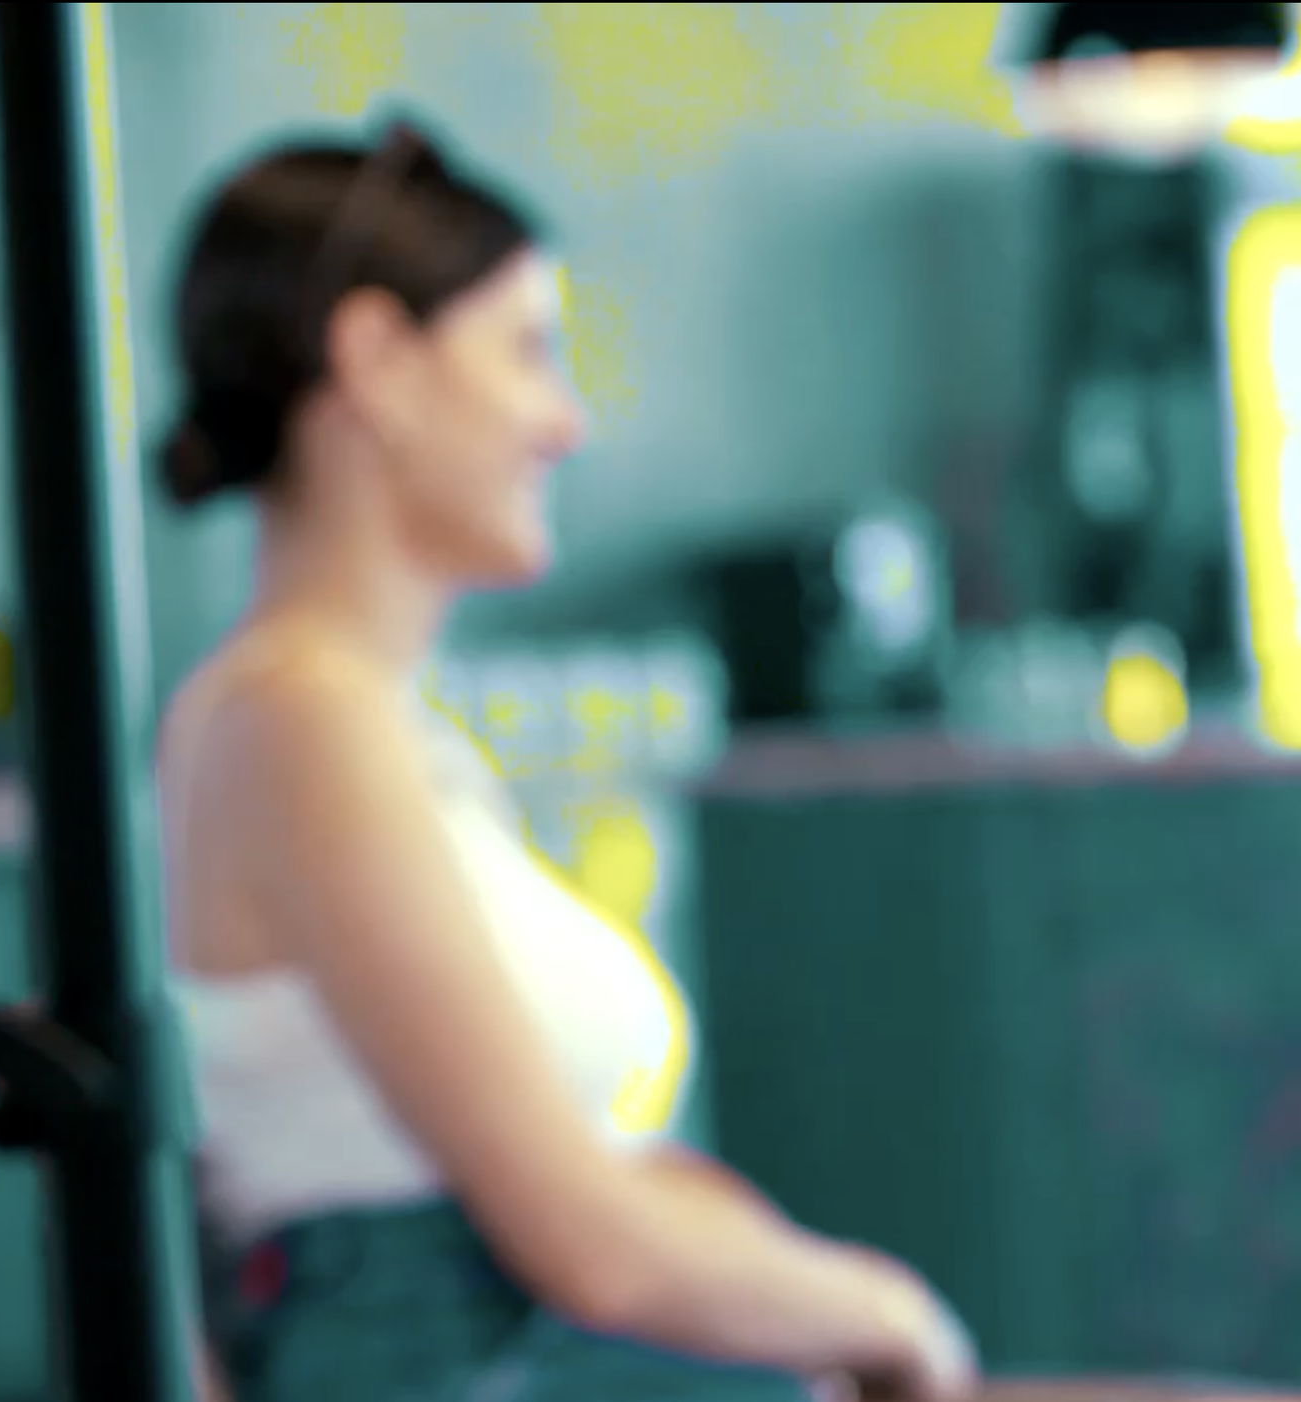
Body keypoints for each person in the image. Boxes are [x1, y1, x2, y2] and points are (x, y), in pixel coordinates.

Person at [152, 116, 981, 1402]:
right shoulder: (299, 718)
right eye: (528, 350)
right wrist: (894, 1316)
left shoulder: (353, 722)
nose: (566, 422)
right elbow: (587, 1247)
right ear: (376, 362)